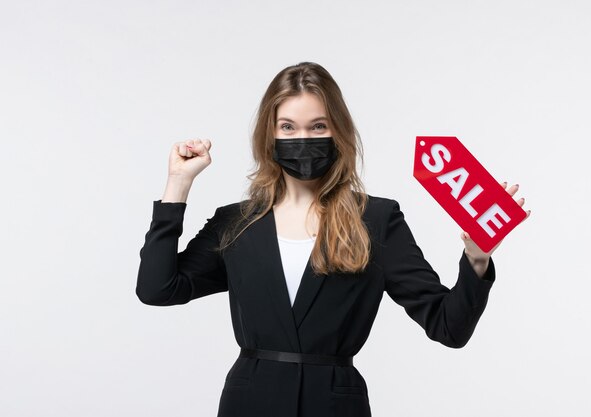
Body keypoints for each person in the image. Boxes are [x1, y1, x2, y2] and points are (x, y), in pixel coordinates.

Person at [136, 61, 530, 417]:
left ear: (337, 132)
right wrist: (178, 185)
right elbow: (156, 288)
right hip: (249, 402)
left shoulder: (376, 219)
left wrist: (477, 260)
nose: (302, 137)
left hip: (336, 405)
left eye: (318, 126)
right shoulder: (236, 222)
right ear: (269, 135)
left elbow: (449, 327)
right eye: (288, 127)